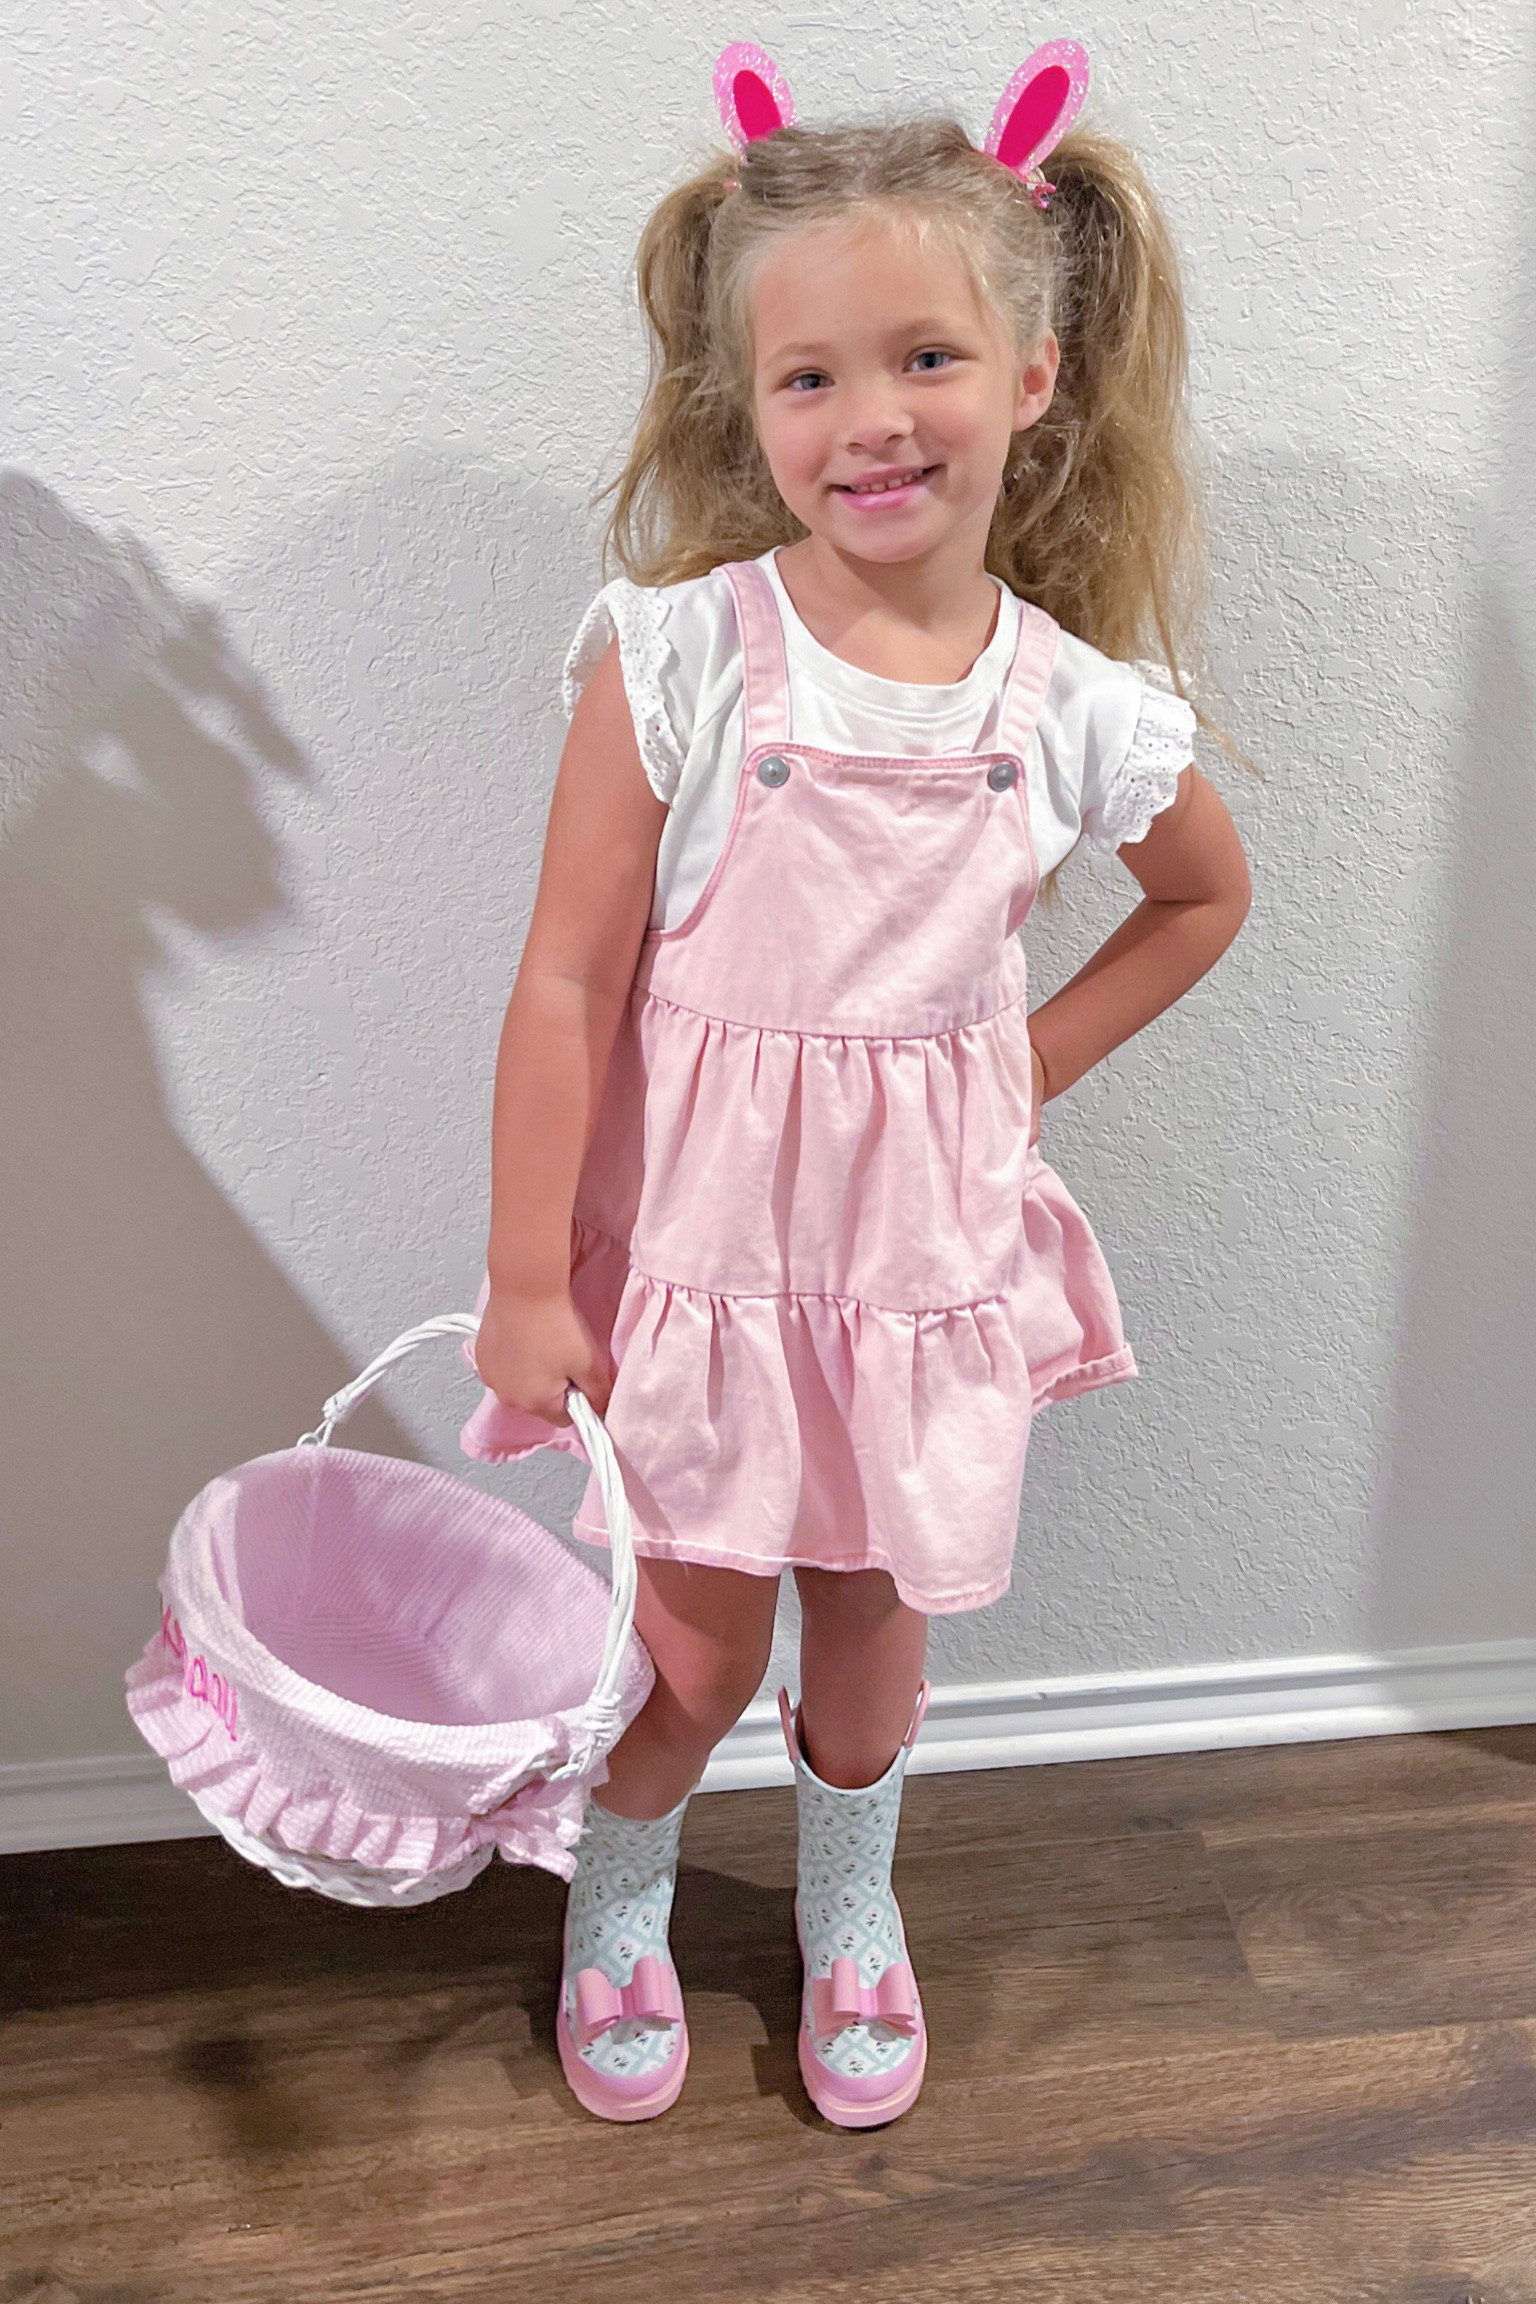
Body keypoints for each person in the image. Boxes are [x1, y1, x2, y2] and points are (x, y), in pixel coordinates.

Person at [464, 41, 1251, 2129]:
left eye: (923, 356)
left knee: (875, 1653)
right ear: (753, 402)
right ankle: (614, 1897)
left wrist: (1013, 1069)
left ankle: (854, 1912)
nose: (869, 417)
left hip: (919, 1274)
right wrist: (526, 1278)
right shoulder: (682, 658)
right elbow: (565, 978)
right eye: (808, 376)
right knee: (700, 1653)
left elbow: (1197, 903)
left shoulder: (1078, 705)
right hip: (713, 1267)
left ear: (1034, 374)